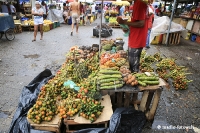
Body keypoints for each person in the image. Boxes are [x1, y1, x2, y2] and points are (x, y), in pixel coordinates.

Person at [117, 0, 148, 73]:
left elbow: (141, 23)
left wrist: (125, 22)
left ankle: (135, 81)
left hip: (136, 39)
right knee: (133, 64)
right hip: (136, 37)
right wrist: (127, 27)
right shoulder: (138, 3)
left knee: (133, 67)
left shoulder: (139, 3)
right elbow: (137, 22)